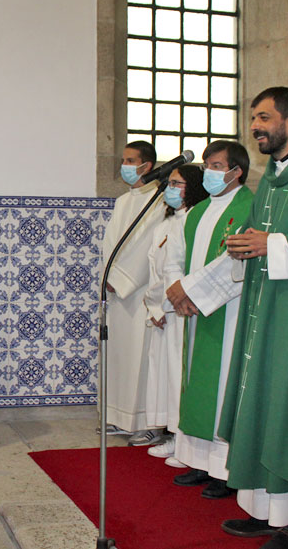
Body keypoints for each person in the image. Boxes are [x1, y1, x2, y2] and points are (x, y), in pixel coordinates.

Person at [173, 87, 288, 549]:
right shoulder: (272, 180)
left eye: (264, 117)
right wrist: (197, 289)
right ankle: (268, 509)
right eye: (253, 118)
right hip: (265, 316)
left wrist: (273, 244)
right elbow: (250, 243)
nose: (255, 126)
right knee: (265, 410)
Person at [164, 141, 253, 500]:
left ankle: (226, 470)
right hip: (194, 309)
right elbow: (175, 254)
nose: (209, 173)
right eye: (207, 166)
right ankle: (200, 461)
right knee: (196, 384)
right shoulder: (196, 212)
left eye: (217, 166)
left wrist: (190, 293)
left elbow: (234, 261)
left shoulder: (250, 207)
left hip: (229, 312)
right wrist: (176, 289)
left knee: (222, 387)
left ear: (237, 171)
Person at [142, 164, 207, 465]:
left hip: (181, 310)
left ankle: (185, 439)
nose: (170, 188)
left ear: (193, 187)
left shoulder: (194, 221)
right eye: (169, 183)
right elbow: (157, 270)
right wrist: (154, 306)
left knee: (180, 376)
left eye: (177, 183)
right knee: (166, 376)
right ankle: (173, 433)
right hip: (163, 309)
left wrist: (164, 304)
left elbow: (182, 271)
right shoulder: (164, 224)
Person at [102, 140, 166, 445]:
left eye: (131, 160)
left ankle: (145, 423)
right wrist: (107, 277)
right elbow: (110, 244)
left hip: (139, 292)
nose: (124, 166)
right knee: (118, 356)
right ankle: (117, 416)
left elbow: (146, 249)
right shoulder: (123, 201)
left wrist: (122, 279)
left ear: (147, 166)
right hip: (116, 292)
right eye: (123, 160)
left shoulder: (160, 200)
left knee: (141, 357)